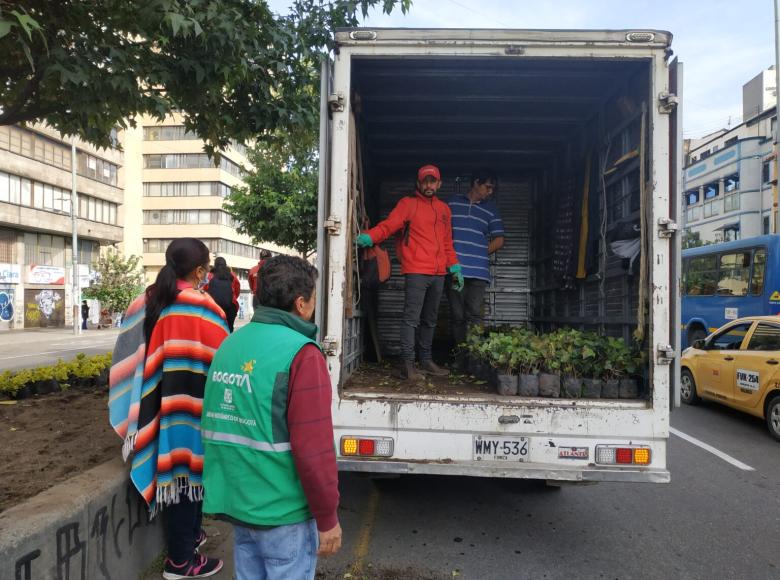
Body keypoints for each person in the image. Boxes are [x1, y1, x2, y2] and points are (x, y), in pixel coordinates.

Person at [201, 255, 341, 580]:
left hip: (240, 506)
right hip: (284, 513)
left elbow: (213, 424)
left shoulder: (230, 345)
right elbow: (313, 449)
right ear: (301, 303)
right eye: (314, 299)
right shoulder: (302, 353)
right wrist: (327, 517)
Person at [108, 238, 229, 580]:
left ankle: (189, 540)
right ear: (201, 270)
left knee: (178, 475)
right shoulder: (206, 308)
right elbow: (223, 361)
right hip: (194, 406)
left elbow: (127, 358)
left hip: (155, 406)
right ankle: (180, 561)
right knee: (188, 474)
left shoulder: (147, 298)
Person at [356, 164, 463, 380]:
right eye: (425, 181)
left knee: (430, 320)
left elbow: (447, 242)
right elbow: (389, 225)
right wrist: (371, 236)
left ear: (439, 184)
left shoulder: (444, 210)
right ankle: (407, 363)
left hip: (438, 273)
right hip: (416, 270)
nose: (428, 185)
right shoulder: (408, 204)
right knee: (411, 318)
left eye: (432, 181)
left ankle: (425, 361)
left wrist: (455, 266)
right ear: (418, 183)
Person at [447, 169, 505, 363]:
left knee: (474, 315)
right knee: (457, 315)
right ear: (475, 183)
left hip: (479, 272)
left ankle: (474, 358)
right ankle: (460, 357)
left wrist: (480, 252)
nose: (490, 192)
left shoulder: (491, 209)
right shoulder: (453, 203)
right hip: (456, 270)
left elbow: (499, 240)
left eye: (492, 189)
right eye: (487, 187)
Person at [205, 256, 241, 332]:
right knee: (229, 328)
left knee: (214, 329)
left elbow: (204, 290)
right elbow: (237, 290)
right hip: (230, 306)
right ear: (225, 265)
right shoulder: (232, 275)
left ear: (215, 265)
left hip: (213, 307)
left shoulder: (209, 276)